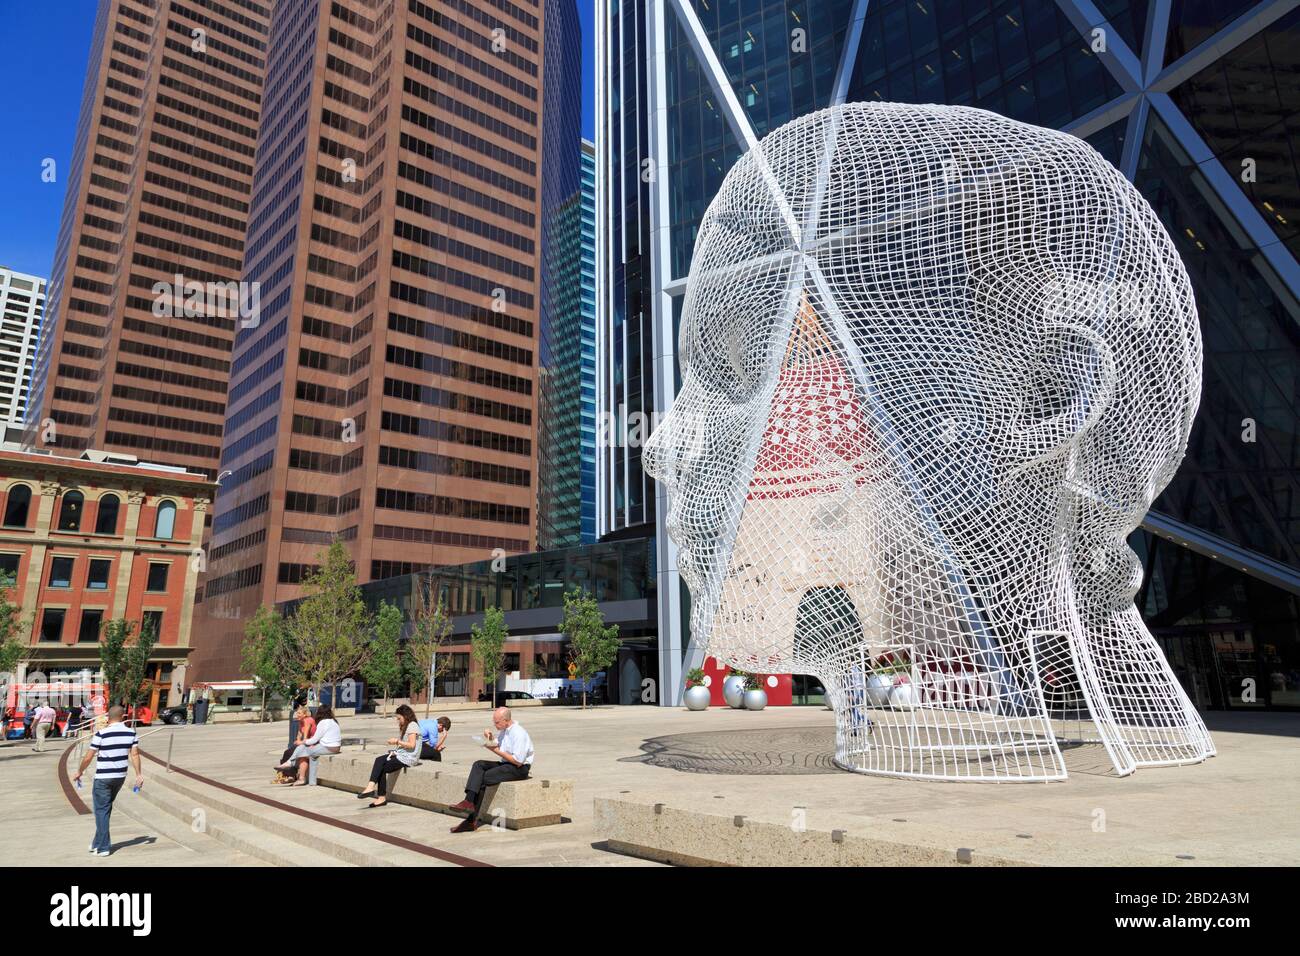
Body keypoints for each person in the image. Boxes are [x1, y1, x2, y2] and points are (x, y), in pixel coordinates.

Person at [71, 705, 143, 857]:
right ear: (123, 717)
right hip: (120, 776)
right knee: (105, 809)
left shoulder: (101, 734)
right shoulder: (131, 733)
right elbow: (135, 755)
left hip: (103, 778)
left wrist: (79, 771)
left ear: (108, 718)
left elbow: (89, 756)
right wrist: (139, 774)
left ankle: (104, 847)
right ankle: (97, 842)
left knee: (101, 810)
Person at [448, 706, 532, 833]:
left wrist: (495, 750)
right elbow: (497, 744)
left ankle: (471, 821)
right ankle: (468, 801)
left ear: (506, 720)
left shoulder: (518, 733)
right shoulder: (505, 730)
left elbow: (518, 761)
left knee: (485, 777)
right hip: (507, 764)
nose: (495, 724)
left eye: (497, 722)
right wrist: (490, 738)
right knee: (478, 765)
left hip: (519, 769)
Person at [352, 704, 422, 808]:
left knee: (382, 768)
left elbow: (412, 745)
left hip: (409, 758)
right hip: (403, 755)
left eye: (399, 718)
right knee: (379, 760)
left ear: (405, 716)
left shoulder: (412, 725)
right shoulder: (408, 725)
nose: (398, 721)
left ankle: (378, 794)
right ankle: (373, 790)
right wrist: (396, 750)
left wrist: (396, 741)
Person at [273, 705, 341, 785]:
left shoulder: (323, 723)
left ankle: (290, 763)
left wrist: (303, 742)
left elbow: (314, 739)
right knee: (313, 757)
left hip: (327, 747)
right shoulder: (333, 721)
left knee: (302, 748)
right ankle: (312, 782)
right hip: (335, 747)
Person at [275, 706, 317, 784]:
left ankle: (290, 775)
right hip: (305, 743)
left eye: (299, 713)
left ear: (305, 714)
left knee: (291, 752)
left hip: (311, 744)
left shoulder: (308, 720)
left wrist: (299, 743)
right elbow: (299, 735)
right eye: (297, 713)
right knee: (287, 752)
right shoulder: (301, 721)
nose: (297, 715)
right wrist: (297, 741)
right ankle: (289, 775)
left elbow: (305, 738)